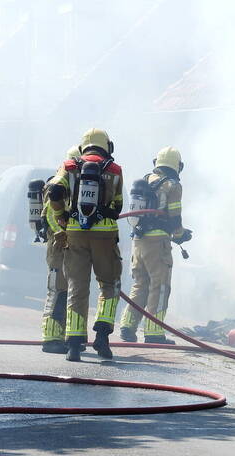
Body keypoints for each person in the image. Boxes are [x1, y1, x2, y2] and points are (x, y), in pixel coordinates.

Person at [46, 128, 124, 362]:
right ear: (107, 146)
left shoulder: (69, 166)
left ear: (83, 147)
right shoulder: (115, 169)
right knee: (110, 284)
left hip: (75, 234)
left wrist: (61, 215)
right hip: (106, 235)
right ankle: (102, 334)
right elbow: (118, 205)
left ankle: (74, 343)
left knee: (77, 287)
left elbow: (55, 190)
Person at [118, 146, 192, 344]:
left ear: (156, 163)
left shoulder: (146, 180)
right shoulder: (173, 186)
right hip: (158, 244)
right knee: (159, 287)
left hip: (139, 241)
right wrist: (182, 235)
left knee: (140, 284)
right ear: (178, 166)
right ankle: (154, 332)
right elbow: (175, 218)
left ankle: (127, 326)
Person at [39, 145, 80, 354]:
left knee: (70, 292)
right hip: (59, 247)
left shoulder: (74, 185)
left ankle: (64, 334)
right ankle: (51, 337)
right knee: (58, 290)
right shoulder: (58, 184)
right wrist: (63, 234)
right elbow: (50, 216)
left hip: (71, 247)